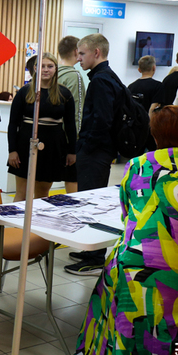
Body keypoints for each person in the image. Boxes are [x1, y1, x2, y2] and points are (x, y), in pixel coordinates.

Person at [72, 105, 178, 355]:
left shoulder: (138, 165)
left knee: (115, 312)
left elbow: (128, 213)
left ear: (155, 135)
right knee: (164, 326)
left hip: (131, 263)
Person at [65, 34, 122, 277]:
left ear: (96, 52)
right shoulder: (107, 76)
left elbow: (101, 120)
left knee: (92, 203)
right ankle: (91, 251)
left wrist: (85, 147)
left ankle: (96, 257)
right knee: (89, 201)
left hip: (96, 152)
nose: (78, 59)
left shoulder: (101, 80)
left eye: (82, 53)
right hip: (100, 150)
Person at [7, 53, 77, 201]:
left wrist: (72, 151)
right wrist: (12, 150)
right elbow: (13, 124)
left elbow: (70, 125)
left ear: (55, 69)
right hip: (25, 144)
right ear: (35, 68)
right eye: (42, 66)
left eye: (50, 66)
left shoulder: (64, 94)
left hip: (52, 146)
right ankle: (17, 217)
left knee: (43, 193)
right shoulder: (24, 92)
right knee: (22, 192)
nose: (46, 70)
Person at [57, 35, 88, 193]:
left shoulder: (51, 73)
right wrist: (76, 141)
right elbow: (77, 110)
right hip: (68, 137)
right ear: (76, 52)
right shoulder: (74, 76)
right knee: (72, 179)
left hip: (52, 134)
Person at [128, 55, 162, 151]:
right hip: (149, 126)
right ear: (154, 68)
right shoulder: (158, 86)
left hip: (135, 127)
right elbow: (153, 107)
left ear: (139, 69)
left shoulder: (131, 87)